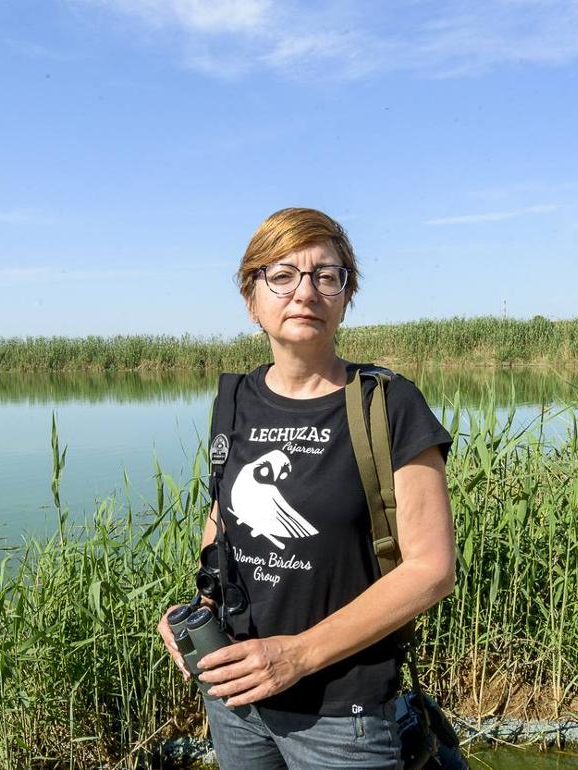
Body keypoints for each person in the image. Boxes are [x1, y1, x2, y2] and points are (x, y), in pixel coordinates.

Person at [157, 208, 457, 769]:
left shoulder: (389, 405)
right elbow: (224, 515)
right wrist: (200, 606)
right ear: (251, 299)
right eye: (282, 275)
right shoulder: (234, 400)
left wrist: (295, 656)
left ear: (346, 295)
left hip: (343, 717)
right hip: (236, 699)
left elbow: (432, 569)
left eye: (326, 275)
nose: (305, 292)